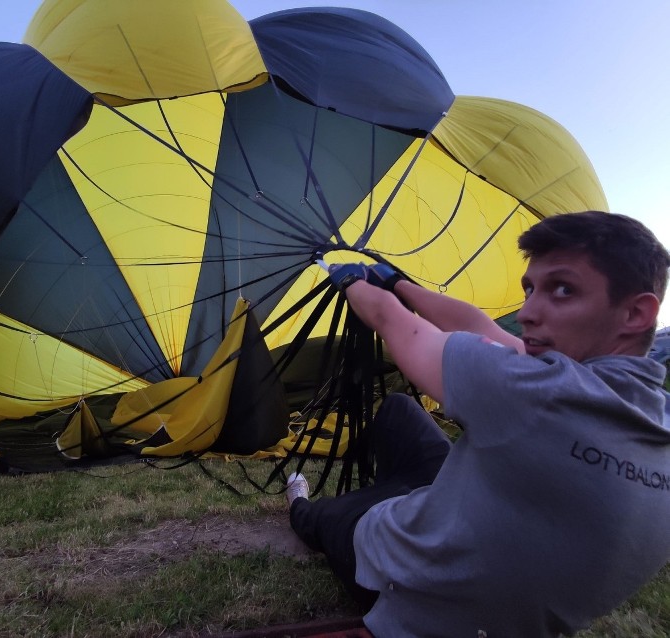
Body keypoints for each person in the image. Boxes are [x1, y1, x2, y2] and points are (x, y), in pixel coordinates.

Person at [287, 211, 670, 637]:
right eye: (530, 289)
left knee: (325, 520)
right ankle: (416, 502)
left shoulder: (534, 392)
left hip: (399, 576)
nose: (527, 312)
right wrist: (398, 281)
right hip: (473, 519)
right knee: (399, 411)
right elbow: (479, 326)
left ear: (635, 313)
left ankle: (301, 504)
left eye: (562, 289)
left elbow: (393, 323)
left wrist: (350, 279)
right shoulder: (648, 415)